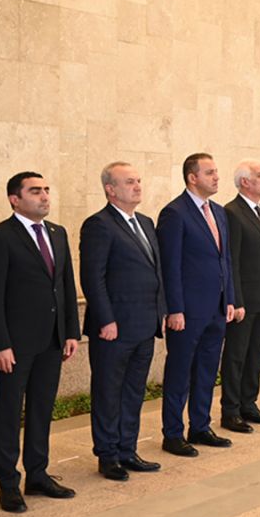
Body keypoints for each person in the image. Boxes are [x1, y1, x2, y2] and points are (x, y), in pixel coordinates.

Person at [0, 172, 80, 513]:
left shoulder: (58, 233)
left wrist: (70, 331)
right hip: (15, 344)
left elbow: (66, 285)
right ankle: (8, 483)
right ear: (15, 199)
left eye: (46, 190)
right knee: (9, 413)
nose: (44, 196)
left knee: (41, 409)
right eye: (35, 191)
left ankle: (37, 474)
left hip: (52, 339)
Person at [79, 162, 167, 481]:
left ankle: (128, 449)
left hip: (145, 325)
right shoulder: (98, 225)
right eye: (129, 181)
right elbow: (93, 277)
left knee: (133, 392)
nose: (137, 186)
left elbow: (156, 272)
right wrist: (105, 319)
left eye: (138, 180)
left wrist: (161, 312)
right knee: (108, 392)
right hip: (114, 328)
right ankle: (108, 455)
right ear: (110, 189)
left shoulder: (145, 222)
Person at [157, 152, 238, 452]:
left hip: (216, 308)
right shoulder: (174, 213)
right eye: (210, 172)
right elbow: (170, 266)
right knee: (179, 373)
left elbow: (225, 259)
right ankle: (172, 433)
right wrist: (174, 309)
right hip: (187, 311)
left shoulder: (218, 211)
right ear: (192, 178)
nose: (217, 177)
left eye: (216, 171)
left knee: (206, 370)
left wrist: (229, 298)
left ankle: (200, 427)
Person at [221, 162, 260, 429]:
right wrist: (236, 300)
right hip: (243, 301)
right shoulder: (232, 212)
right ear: (245, 182)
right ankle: (230, 410)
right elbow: (231, 260)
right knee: (236, 356)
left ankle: (249, 404)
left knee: (255, 355)